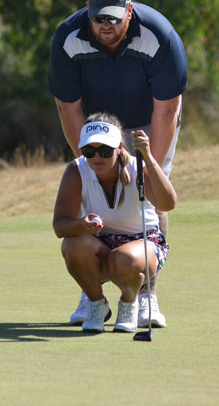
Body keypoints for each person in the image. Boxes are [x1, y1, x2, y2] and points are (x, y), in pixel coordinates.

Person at [48, 0, 187, 328]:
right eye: (98, 17)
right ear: (87, 10)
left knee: (153, 196)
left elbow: (167, 108)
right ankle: (90, 292)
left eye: (113, 17)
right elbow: (67, 107)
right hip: (96, 121)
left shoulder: (159, 36)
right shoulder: (68, 39)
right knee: (90, 185)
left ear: (129, 10)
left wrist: (148, 167)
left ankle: (148, 296)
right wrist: (90, 161)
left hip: (150, 118)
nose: (105, 25)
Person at [53, 113, 177, 333]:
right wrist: (82, 225)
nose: (97, 157)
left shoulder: (138, 167)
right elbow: (60, 226)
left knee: (125, 258)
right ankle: (96, 304)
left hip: (143, 246)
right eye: (89, 151)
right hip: (100, 246)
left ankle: (129, 304)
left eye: (105, 150)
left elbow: (167, 204)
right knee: (71, 245)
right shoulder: (76, 170)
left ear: (119, 147)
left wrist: (149, 159)